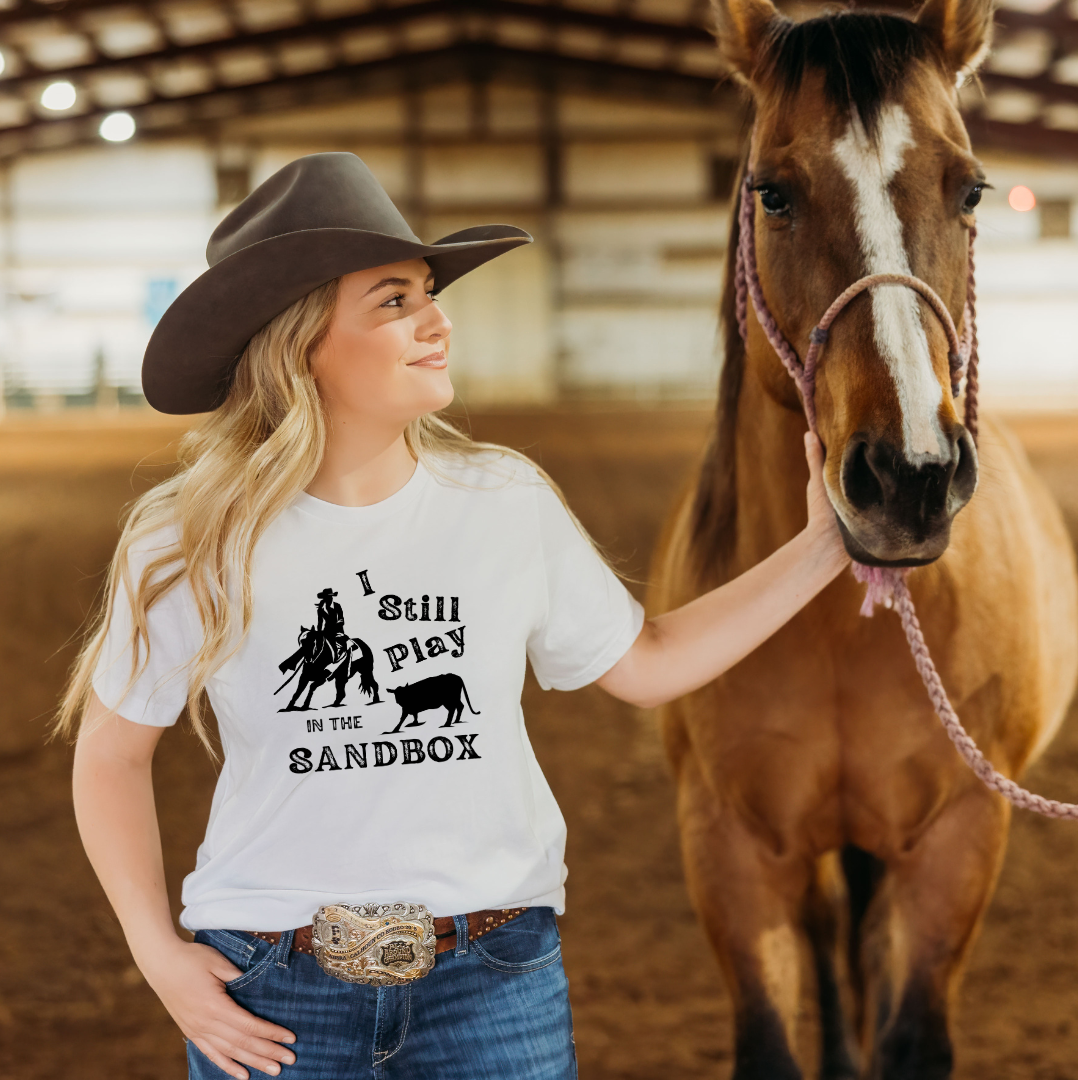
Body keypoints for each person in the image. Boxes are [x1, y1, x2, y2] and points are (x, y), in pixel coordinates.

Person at [58, 153, 848, 1080]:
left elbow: (648, 661)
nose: (436, 323)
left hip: (493, 973)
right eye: (394, 301)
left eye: (428, 294)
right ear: (302, 338)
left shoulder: (504, 500)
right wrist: (159, 957)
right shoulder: (187, 536)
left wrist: (826, 546)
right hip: (273, 982)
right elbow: (111, 753)